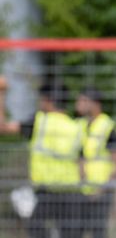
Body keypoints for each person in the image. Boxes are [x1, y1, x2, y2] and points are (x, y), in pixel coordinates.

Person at [0, 76, 83, 238]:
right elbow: (83, 162)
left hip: (46, 191)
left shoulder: (39, 122)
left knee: (36, 229)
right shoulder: (76, 127)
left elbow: (2, 127)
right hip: (72, 191)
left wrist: (1, 93)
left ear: (48, 101)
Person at [75, 87, 116, 238]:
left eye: (83, 100)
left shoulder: (108, 127)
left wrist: (102, 189)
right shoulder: (78, 124)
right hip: (78, 190)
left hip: (101, 192)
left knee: (98, 232)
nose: (78, 104)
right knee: (75, 231)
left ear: (95, 103)